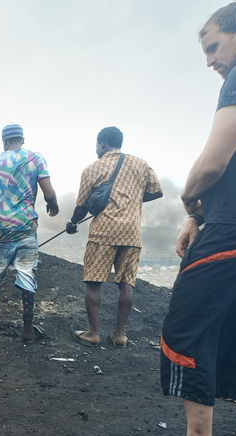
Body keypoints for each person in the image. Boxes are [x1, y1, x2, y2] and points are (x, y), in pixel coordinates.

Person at [135, 2, 236, 436]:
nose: (210, 61)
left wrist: (190, 201)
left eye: (214, 47)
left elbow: (214, 163)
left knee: (188, 326)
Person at [66, 127, 162, 348]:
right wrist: (135, 199)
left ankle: (93, 334)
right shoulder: (141, 164)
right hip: (131, 233)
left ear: (101, 144)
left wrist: (72, 223)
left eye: (96, 145)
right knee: (127, 283)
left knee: (93, 282)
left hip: (103, 232)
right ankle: (119, 336)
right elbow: (157, 192)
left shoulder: (93, 168)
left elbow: (81, 206)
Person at [0, 124, 58, 342]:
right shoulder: (35, 158)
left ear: (4, 141)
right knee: (26, 273)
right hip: (25, 228)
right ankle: (28, 330)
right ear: (22, 139)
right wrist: (53, 203)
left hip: (0, 229)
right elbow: (48, 192)